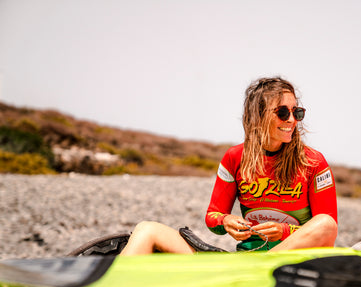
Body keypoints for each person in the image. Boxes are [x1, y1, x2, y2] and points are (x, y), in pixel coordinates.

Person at [120, 77, 337, 255]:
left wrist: (283, 231)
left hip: (296, 262)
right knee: (146, 229)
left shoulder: (313, 161)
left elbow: (328, 231)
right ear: (258, 115)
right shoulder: (235, 157)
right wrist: (227, 221)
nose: (291, 120)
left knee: (325, 222)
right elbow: (213, 216)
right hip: (245, 262)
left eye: (296, 112)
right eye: (282, 112)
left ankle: (265, 266)